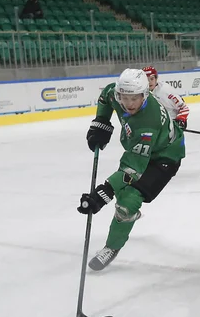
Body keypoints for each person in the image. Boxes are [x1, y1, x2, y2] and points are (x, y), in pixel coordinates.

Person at [78, 69, 185, 271]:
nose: (129, 103)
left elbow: (132, 169)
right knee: (124, 195)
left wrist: (102, 194)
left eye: (134, 98)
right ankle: (126, 217)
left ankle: (112, 246)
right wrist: (101, 121)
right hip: (141, 152)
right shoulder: (116, 94)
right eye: (124, 98)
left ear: (145, 94)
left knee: (128, 202)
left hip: (164, 157)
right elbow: (106, 96)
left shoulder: (148, 122)